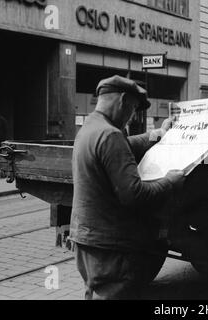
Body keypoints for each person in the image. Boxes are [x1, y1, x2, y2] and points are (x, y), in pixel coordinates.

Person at [69, 75, 185, 300]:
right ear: (123, 100)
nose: (132, 116)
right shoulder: (111, 135)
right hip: (109, 246)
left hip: (86, 240)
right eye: (132, 109)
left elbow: (124, 146)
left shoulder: (89, 128)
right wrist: (170, 181)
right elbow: (134, 195)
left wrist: (157, 135)